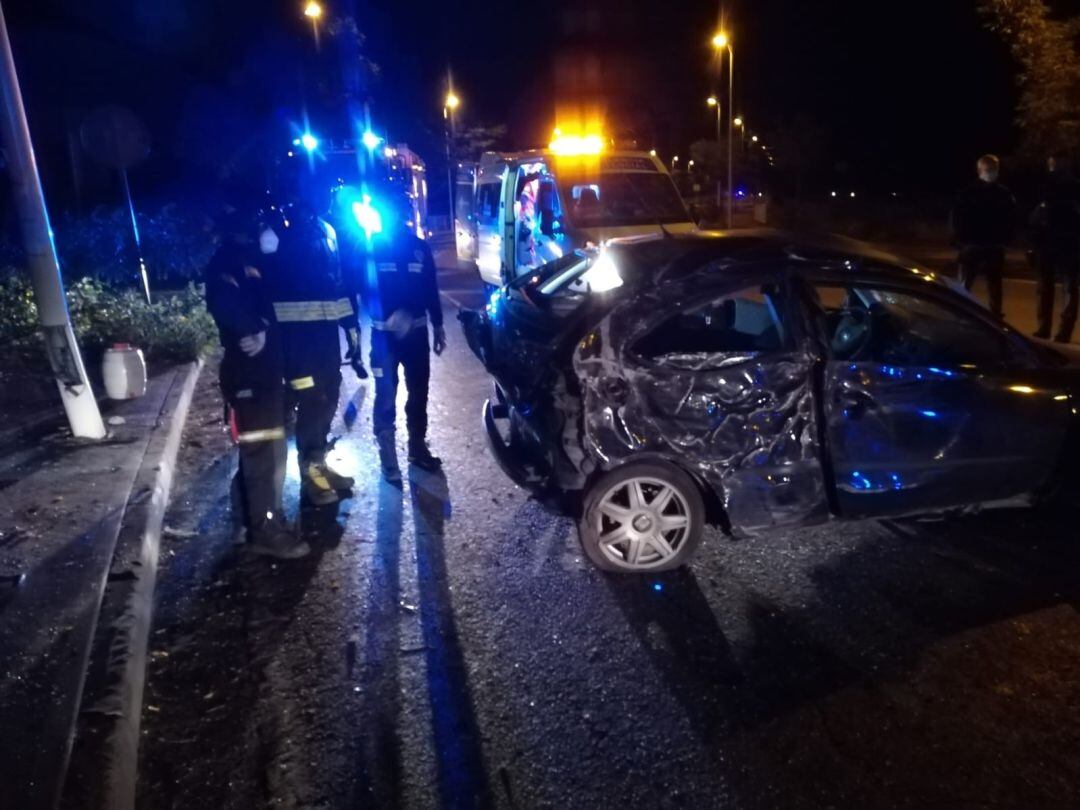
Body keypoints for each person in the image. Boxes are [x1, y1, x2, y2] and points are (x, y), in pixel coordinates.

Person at [205, 200, 309, 559]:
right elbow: (226, 305)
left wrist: (263, 326)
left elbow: (272, 302)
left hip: (264, 373)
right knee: (264, 454)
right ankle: (265, 530)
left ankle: (246, 520)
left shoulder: (256, 263)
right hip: (249, 373)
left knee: (261, 452)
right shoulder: (228, 265)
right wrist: (256, 329)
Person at [261, 187, 360, 505]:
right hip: (295, 343)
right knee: (312, 399)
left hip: (324, 339)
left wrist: (350, 326)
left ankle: (319, 464)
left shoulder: (326, 229)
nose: (330, 197)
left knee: (329, 394)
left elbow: (338, 282)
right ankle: (311, 476)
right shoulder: (278, 232)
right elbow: (264, 289)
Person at [344, 191, 446, 483]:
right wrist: (387, 314)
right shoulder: (370, 248)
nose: (401, 219)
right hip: (384, 339)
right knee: (385, 395)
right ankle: (387, 454)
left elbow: (429, 289)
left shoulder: (419, 248)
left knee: (419, 394)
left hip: (416, 337)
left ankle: (417, 447)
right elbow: (362, 289)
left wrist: (438, 326)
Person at [950, 154, 1015, 319]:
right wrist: (961, 241)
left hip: (994, 246)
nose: (992, 173)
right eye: (989, 169)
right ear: (980, 170)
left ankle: (995, 318)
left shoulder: (1004, 194)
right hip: (973, 246)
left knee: (994, 286)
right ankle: (959, 315)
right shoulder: (968, 193)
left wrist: (1006, 241)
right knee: (964, 285)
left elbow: (1011, 219)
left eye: (994, 169)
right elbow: (957, 218)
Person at [1030, 151, 1080, 343]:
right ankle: (1057, 330)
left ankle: (1049, 329)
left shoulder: (1053, 187)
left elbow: (1037, 216)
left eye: (1053, 164)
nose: (1052, 168)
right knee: (1063, 288)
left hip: (1058, 243)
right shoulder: (1056, 186)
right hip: (1060, 244)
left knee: (1054, 287)